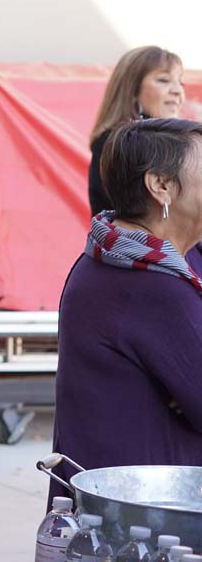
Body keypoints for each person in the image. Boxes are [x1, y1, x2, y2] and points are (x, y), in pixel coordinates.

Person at [49, 118, 202, 504]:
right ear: (161, 185)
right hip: (141, 512)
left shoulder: (119, 253)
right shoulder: (149, 284)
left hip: (121, 498)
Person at [88, 46, 184, 214]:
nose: (177, 90)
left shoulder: (179, 141)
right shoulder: (119, 143)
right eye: (164, 80)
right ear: (132, 90)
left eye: (180, 81)